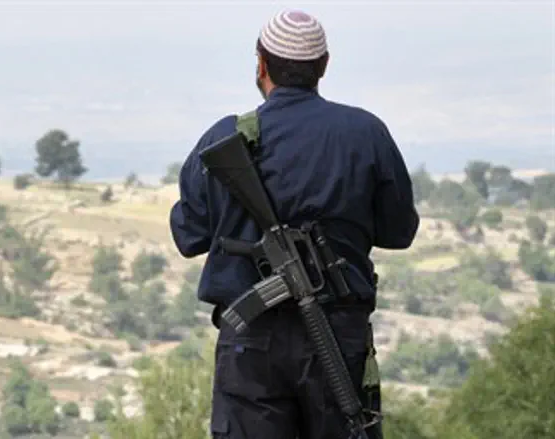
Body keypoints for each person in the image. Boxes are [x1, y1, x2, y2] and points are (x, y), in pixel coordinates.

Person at [168, 9, 420, 439]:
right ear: (323, 67)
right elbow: (399, 231)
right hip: (339, 335)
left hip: (251, 343)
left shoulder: (224, 139)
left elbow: (189, 235)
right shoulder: (365, 133)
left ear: (261, 64)